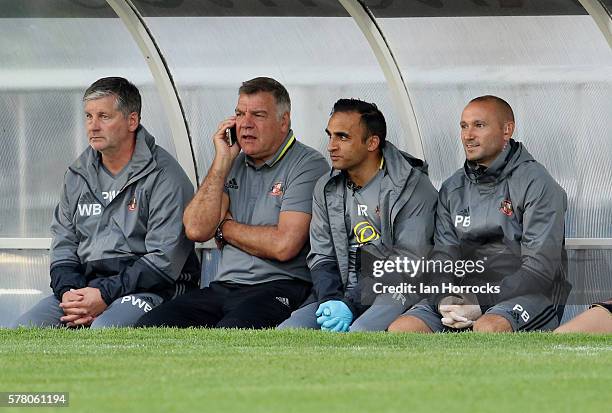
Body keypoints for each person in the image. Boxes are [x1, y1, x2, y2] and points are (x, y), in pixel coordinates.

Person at [135, 77, 328, 329]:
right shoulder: (230, 163)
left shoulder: (308, 164)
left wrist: (224, 228)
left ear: (284, 121)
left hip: (280, 287)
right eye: (239, 113)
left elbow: (283, 245)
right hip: (223, 286)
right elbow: (196, 229)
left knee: (232, 330)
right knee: (152, 324)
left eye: (258, 115)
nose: (245, 124)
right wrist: (221, 161)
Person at [12, 77, 200, 328]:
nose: (93, 126)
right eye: (89, 116)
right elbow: (63, 245)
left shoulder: (165, 176)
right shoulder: (77, 175)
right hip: (86, 291)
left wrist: (102, 294)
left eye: (104, 116)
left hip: (154, 289)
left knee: (105, 329)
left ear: (132, 121)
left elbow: (162, 263)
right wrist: (70, 291)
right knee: (25, 328)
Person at [389, 95, 570, 333]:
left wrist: (481, 301)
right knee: (404, 328)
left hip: (530, 295)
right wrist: (445, 299)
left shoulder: (537, 183)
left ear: (507, 130)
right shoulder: (452, 188)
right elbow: (443, 257)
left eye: (479, 125)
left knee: (488, 328)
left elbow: (539, 269)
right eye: (464, 126)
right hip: (464, 294)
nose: (468, 135)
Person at [278, 99, 437, 332]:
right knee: (289, 331)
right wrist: (330, 300)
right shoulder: (326, 186)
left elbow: (407, 263)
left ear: (372, 142)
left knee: (359, 333)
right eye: (330, 135)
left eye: (342, 137)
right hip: (341, 293)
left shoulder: (412, 187)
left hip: (397, 290)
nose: (331, 146)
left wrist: (349, 304)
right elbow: (321, 255)